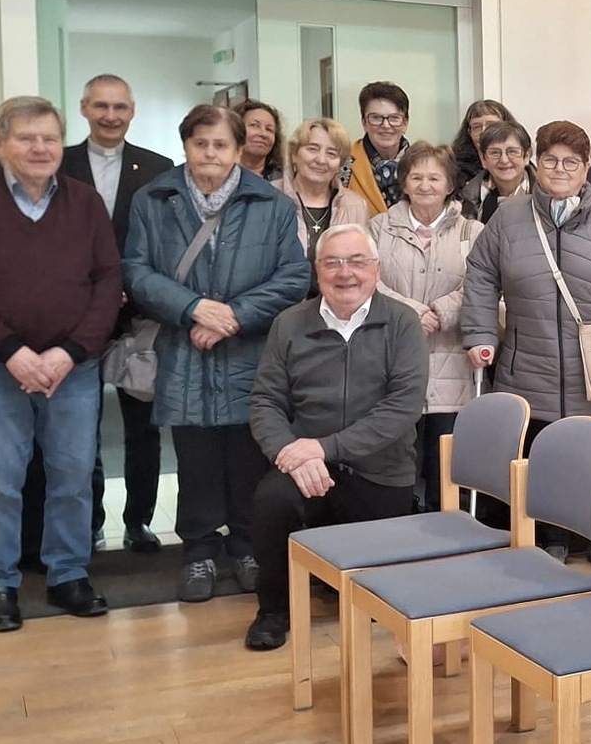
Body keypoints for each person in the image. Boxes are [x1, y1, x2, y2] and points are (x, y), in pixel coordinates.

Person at [0, 95, 120, 631]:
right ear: (1, 144)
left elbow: (108, 281)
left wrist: (70, 351)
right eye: (26, 138)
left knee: (72, 476)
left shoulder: (85, 202)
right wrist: (12, 352)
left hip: (73, 371)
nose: (40, 148)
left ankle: (68, 575)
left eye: (49, 138)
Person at [123, 104, 310, 602]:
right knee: (196, 457)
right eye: (200, 143)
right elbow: (137, 272)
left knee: (250, 454)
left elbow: (294, 276)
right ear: (185, 145)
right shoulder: (153, 198)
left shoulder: (272, 204)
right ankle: (199, 551)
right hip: (184, 348)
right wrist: (193, 309)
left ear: (238, 149)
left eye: (221, 144)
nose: (210, 153)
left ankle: (248, 546)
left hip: (249, 350)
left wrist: (233, 315)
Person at [459, 120, 591, 560]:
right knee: (543, 455)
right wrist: (479, 334)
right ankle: (552, 538)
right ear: (536, 163)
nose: (560, 170)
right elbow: (480, 276)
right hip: (530, 365)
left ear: (586, 167)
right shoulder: (509, 218)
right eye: (550, 160)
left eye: (571, 162)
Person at [243, 223, 429, 650]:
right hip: (306, 468)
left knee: (379, 596)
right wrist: (291, 454)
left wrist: (325, 448)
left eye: (357, 261)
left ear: (376, 269)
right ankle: (273, 611)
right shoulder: (289, 324)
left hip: (381, 470)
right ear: (317, 270)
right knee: (272, 501)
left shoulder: (403, 323)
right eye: (333, 262)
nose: (346, 272)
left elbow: (402, 407)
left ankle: (340, 583)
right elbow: (265, 401)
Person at [62, 74, 175, 553]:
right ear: (84, 108)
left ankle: (139, 521)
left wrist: (130, 288)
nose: (111, 116)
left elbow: (165, 242)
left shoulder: (158, 168)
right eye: (101, 106)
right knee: (79, 429)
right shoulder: (59, 163)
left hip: (138, 315)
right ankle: (88, 523)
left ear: (132, 111)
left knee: (143, 428)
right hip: (75, 315)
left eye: (120, 107)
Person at [368, 142, 483, 511]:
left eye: (435, 177)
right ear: (404, 182)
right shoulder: (378, 227)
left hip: (453, 363)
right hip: (393, 362)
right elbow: (367, 281)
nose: (425, 185)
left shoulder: (472, 231)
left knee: (444, 468)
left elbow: (483, 284)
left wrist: (441, 310)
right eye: (416, 177)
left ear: (450, 184)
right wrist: (414, 313)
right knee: (393, 466)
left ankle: (443, 532)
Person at [272, 117, 360, 257]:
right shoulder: (268, 196)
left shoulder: (356, 205)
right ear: (294, 154)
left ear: (340, 164)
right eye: (312, 149)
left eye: (331, 153)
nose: (321, 160)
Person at [343, 81, 412, 215]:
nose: (385, 125)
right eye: (376, 118)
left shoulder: (423, 163)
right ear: (364, 123)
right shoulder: (343, 163)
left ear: (405, 123)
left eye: (394, 118)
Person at [459, 120, 534, 222]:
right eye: (494, 153)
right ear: (483, 159)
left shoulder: (545, 194)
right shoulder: (466, 199)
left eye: (512, 152)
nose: (504, 160)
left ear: (527, 156)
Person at [449, 98, 516, 188]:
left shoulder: (518, 161)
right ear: (469, 133)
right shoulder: (455, 168)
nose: (484, 131)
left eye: (491, 125)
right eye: (477, 127)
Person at [234, 99, 283, 182]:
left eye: (269, 129)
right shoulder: (218, 176)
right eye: (254, 125)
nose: (263, 134)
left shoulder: (283, 181)